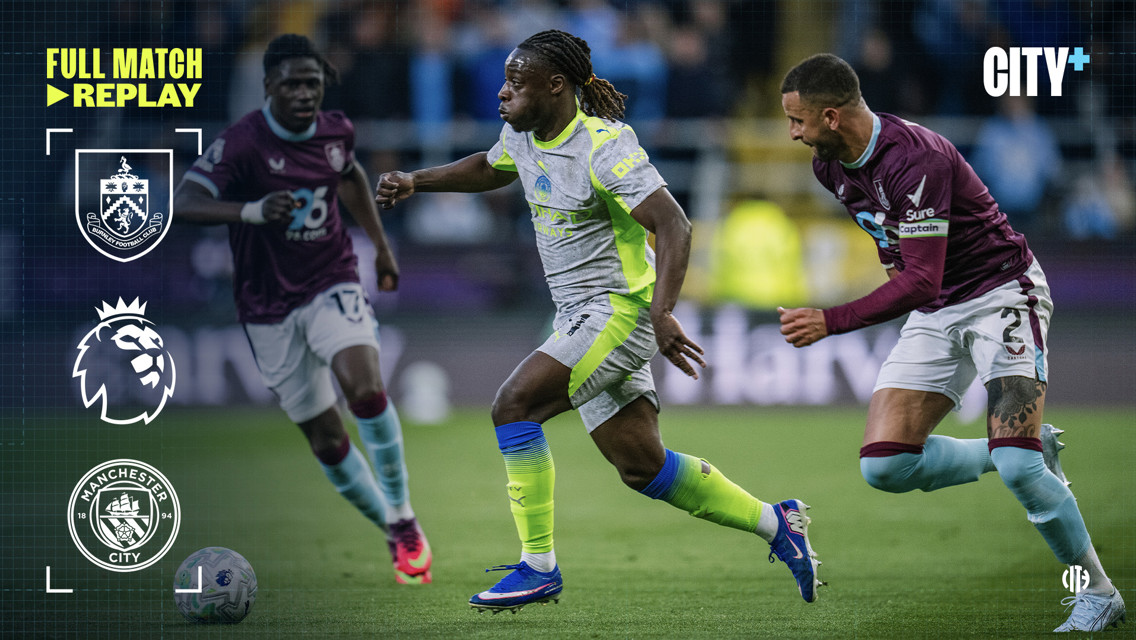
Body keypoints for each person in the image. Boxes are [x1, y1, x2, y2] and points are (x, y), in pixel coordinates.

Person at [375, 29, 822, 613]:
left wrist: (663, 313)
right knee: (643, 468)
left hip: (618, 312)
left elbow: (675, 224)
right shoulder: (524, 133)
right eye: (505, 82)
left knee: (513, 407)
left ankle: (538, 567)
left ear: (555, 86)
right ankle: (777, 522)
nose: (503, 93)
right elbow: (491, 167)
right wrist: (416, 181)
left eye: (515, 83)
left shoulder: (605, 146)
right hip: (578, 317)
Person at [777, 53, 1124, 633]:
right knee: (885, 467)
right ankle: (1029, 449)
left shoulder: (915, 158)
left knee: (1019, 469)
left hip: (1001, 296)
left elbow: (920, 278)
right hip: (937, 309)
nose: (793, 134)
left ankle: (1097, 591)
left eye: (798, 121)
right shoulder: (829, 166)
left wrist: (830, 321)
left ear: (832, 116)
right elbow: (902, 261)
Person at [174, 34, 432, 585]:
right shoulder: (243, 143)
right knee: (327, 438)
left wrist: (382, 248)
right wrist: (250, 210)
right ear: (268, 86)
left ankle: (405, 515)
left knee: (364, 387)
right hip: (267, 306)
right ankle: (389, 526)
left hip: (330, 278)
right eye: (291, 82)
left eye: (312, 82)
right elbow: (185, 203)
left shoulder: (336, 130)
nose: (302, 93)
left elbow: (350, 175)